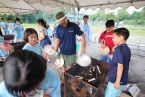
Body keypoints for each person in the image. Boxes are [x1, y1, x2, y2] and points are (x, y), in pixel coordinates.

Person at [105, 27, 131, 97]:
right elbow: (121, 60)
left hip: (115, 80)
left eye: (114, 37)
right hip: (123, 79)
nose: (112, 39)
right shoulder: (127, 48)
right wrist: (113, 52)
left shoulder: (119, 49)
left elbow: (120, 66)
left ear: (121, 37)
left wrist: (117, 82)